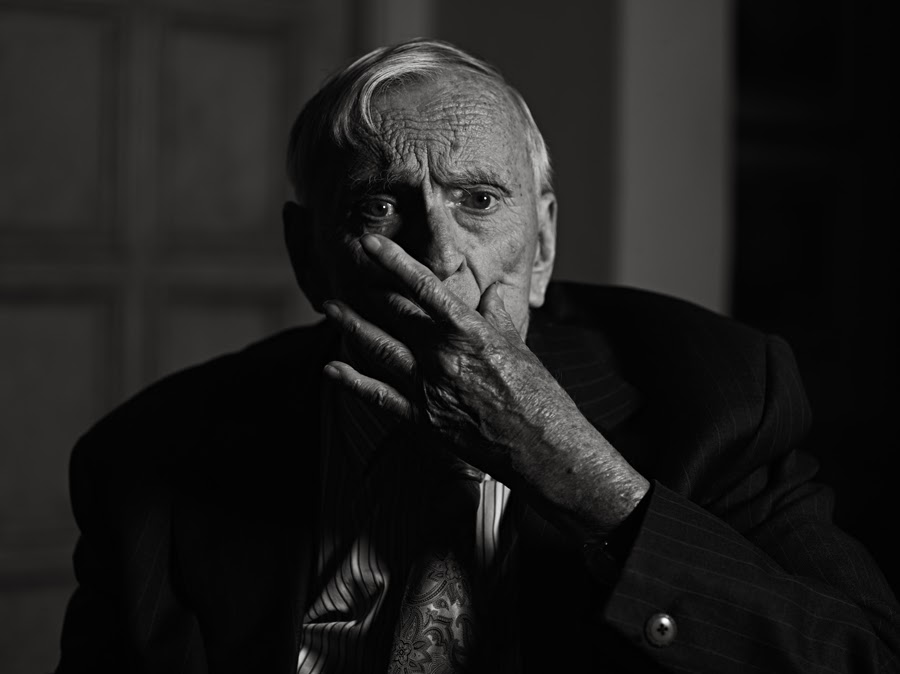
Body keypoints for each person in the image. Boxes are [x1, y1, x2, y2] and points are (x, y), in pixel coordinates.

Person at [56, 38, 899, 673]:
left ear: (543, 245)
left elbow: (861, 656)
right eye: (379, 206)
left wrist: (582, 480)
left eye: (479, 199)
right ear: (309, 257)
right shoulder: (151, 459)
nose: (439, 255)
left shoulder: (717, 396)